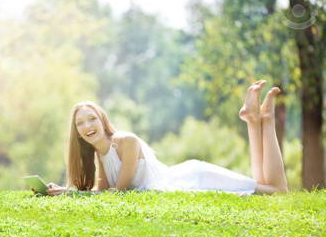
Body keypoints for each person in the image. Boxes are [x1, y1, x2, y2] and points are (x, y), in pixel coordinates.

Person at [40, 80, 288, 196]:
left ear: (102, 119)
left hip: (194, 178)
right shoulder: (101, 154)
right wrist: (65, 191)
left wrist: (69, 195)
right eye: (80, 123)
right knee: (263, 183)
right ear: (77, 133)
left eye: (91, 118)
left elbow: (119, 192)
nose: (87, 126)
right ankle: (253, 121)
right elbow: (101, 191)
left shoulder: (126, 141)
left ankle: (265, 118)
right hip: (184, 180)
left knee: (277, 191)